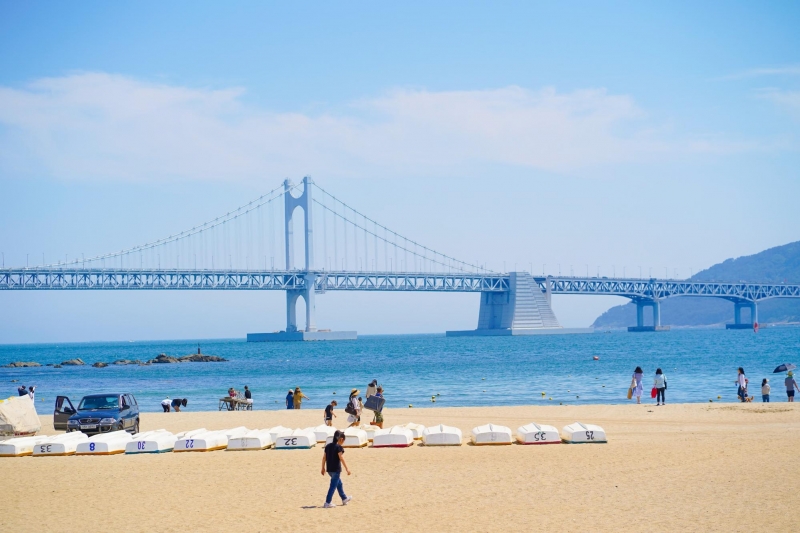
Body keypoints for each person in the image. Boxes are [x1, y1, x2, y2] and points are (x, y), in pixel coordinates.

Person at [321, 430, 352, 508]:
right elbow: (341, 457)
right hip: (336, 469)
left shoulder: (327, 446)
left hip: (329, 470)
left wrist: (323, 468)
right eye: (343, 440)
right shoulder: (339, 447)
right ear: (341, 439)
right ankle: (327, 502)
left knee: (339, 483)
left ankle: (344, 498)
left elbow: (324, 457)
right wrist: (347, 468)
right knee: (333, 486)